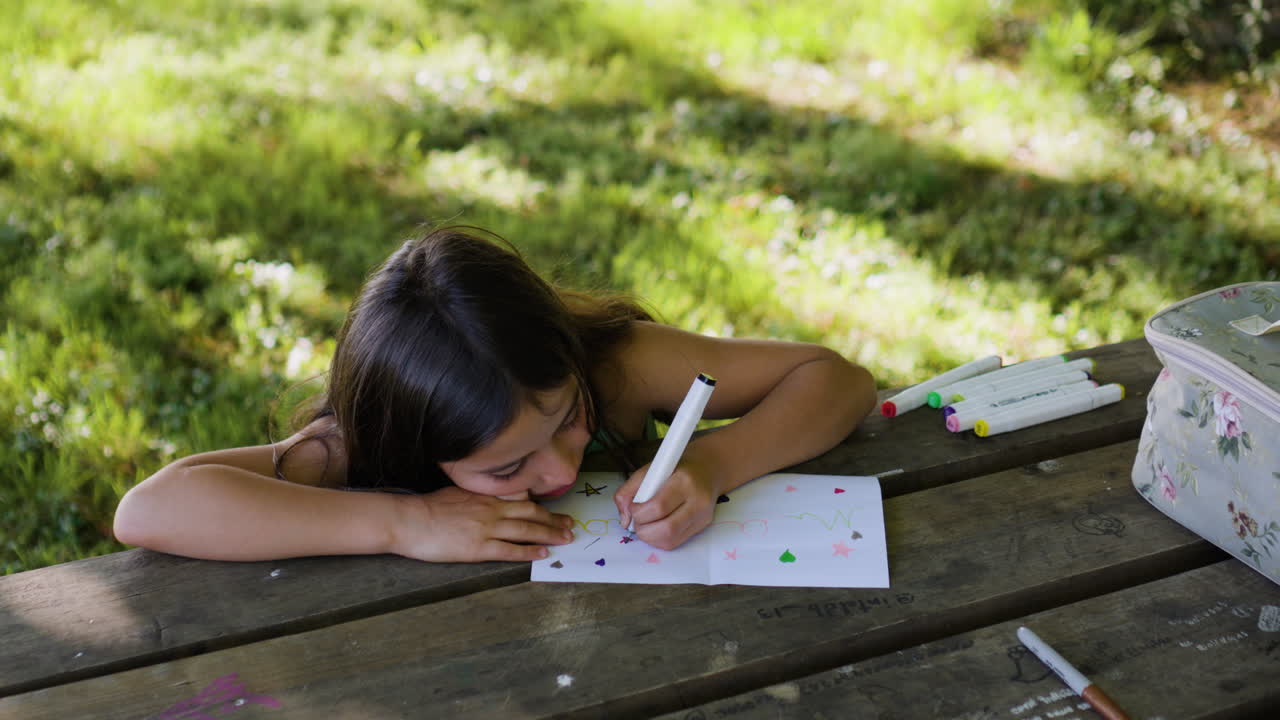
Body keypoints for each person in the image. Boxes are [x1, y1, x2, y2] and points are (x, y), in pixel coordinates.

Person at [114, 226, 877, 563]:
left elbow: (835, 378)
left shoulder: (614, 364)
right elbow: (149, 509)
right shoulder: (368, 448)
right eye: (506, 470)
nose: (556, 474)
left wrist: (711, 467)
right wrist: (403, 524)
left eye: (568, 420)